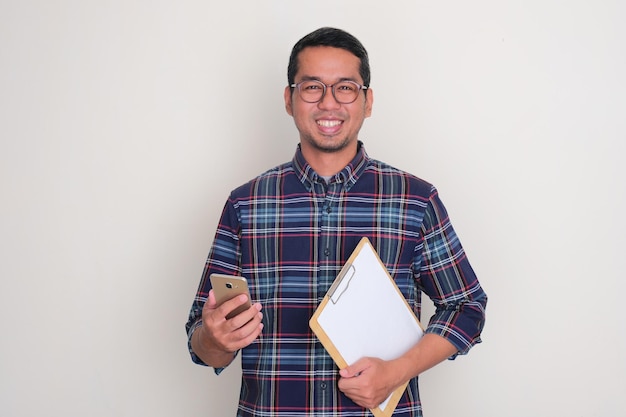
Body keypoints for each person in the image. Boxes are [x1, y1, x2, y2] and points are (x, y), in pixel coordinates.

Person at [186, 27, 487, 417]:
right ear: (289, 99)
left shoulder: (414, 199)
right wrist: (217, 340)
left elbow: (467, 306)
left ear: (368, 101)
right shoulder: (246, 204)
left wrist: (397, 372)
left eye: (345, 88)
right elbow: (200, 341)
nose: (329, 103)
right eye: (312, 87)